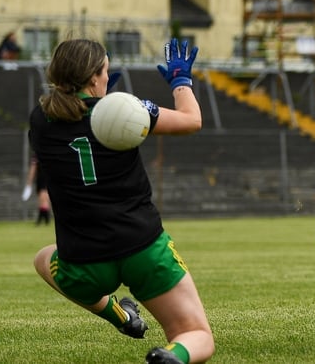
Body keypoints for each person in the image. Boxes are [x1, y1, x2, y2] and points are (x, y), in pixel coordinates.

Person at [29, 38, 214, 364]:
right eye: (105, 71)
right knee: (197, 335)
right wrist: (180, 81)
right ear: (93, 78)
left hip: (83, 261)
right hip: (141, 247)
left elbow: (73, 114)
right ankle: (170, 358)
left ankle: (121, 316)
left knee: (43, 259)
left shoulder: (39, 121)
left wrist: (95, 96)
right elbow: (192, 119)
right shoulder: (128, 110)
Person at [22, 153, 52, 225]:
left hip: (43, 180)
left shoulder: (38, 154)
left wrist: (29, 182)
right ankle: (44, 220)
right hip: (44, 180)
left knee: (44, 201)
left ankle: (42, 220)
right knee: (43, 201)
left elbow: (33, 169)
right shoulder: (46, 153)